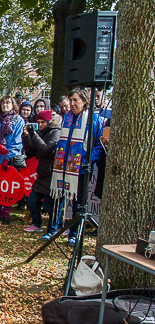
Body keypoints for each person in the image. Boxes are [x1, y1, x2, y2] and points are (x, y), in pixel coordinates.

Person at [51, 87, 104, 247]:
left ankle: (75, 234)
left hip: (80, 169)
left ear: (85, 101)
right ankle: (54, 229)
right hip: (64, 166)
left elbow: (99, 145)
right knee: (58, 200)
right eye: (71, 100)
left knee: (78, 204)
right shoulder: (66, 118)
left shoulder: (92, 119)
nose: (72, 104)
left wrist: (87, 160)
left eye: (76, 100)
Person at [22, 110, 62, 239]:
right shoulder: (41, 133)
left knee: (50, 205)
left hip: (53, 174)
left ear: (49, 122)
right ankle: (37, 224)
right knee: (32, 200)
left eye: (43, 122)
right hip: (43, 173)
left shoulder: (55, 132)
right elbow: (32, 150)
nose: (40, 125)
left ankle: (56, 227)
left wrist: (34, 134)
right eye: (38, 122)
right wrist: (26, 136)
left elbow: (46, 150)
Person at [0, 96, 24, 225]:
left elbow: (17, 142)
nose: (5, 105)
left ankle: (6, 214)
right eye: (3, 103)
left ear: (13, 105)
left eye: (8, 103)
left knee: (8, 187)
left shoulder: (18, 121)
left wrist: (7, 158)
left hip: (10, 158)